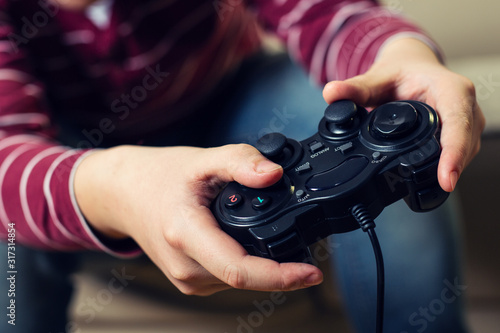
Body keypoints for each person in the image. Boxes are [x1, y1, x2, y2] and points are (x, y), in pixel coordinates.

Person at [0, 0, 485, 332]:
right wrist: (119, 185)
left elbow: (323, 9)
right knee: (10, 235)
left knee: (378, 141)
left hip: (231, 98)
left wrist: (401, 56)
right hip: (65, 154)